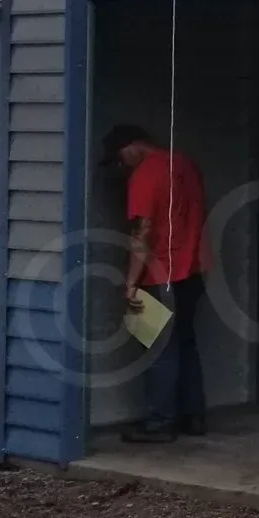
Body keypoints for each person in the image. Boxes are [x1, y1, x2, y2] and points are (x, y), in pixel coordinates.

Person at [101, 124, 209, 443]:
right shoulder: (184, 164)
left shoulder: (145, 175)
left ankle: (160, 423)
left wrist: (131, 283)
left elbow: (142, 234)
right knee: (185, 344)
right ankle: (194, 417)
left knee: (158, 350)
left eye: (119, 158)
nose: (121, 166)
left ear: (132, 146)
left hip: (160, 276)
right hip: (192, 272)